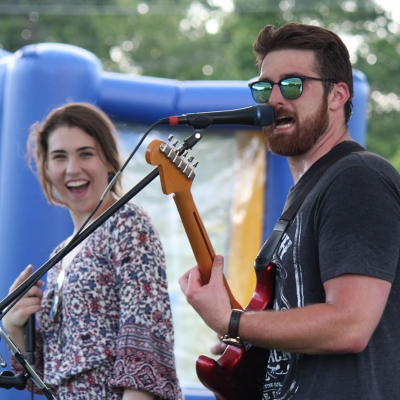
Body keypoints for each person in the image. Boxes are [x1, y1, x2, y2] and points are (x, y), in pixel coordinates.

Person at [179, 22, 400, 399]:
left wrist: (233, 321)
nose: (274, 99)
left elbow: (350, 325)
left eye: (293, 85)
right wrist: (245, 345)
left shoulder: (357, 177)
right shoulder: (306, 195)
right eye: (265, 87)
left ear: (337, 95)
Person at [2, 103, 183, 400]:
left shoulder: (128, 225)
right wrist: (15, 324)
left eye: (86, 153)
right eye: (59, 157)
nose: (73, 169)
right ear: (46, 169)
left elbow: (145, 347)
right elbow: (45, 376)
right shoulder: (59, 256)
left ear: (110, 161)